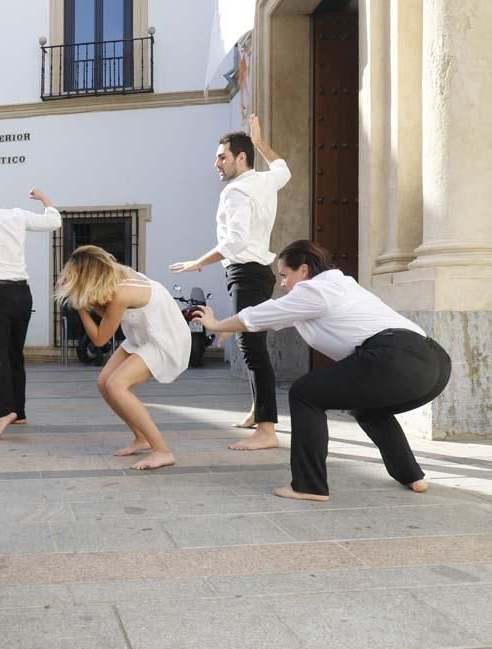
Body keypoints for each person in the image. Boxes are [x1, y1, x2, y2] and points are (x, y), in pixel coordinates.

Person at [192, 240, 451, 501]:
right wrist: (229, 325)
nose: (282, 283)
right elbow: (267, 318)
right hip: (434, 365)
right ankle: (411, 476)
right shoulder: (338, 286)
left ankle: (308, 485)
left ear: (303, 270)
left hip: (395, 358)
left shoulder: (313, 291)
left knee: (305, 393)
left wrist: (214, 324)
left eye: (284, 275)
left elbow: (262, 314)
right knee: (369, 409)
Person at [170, 114, 290, 451]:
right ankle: (257, 411)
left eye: (222, 157)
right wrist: (260, 141)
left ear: (240, 158)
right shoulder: (265, 181)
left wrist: (197, 263)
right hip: (258, 274)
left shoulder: (236, 192)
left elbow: (234, 243)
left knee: (252, 350)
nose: (216, 164)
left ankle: (266, 430)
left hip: (245, 273)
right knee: (251, 346)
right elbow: (283, 169)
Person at [56, 245, 190, 470]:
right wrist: (85, 301)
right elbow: (107, 314)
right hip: (143, 335)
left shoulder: (122, 292)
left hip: (165, 338)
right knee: (103, 383)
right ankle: (142, 437)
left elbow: (99, 339)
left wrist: (79, 306)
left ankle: (162, 451)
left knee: (117, 385)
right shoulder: (116, 275)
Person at [0, 182, 61, 440]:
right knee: (16, 353)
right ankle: (19, 410)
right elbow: (54, 222)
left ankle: (4, 411)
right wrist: (43, 197)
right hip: (23, 294)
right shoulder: (16, 215)